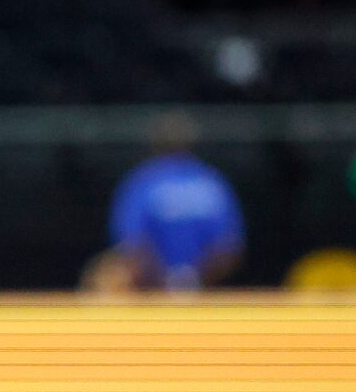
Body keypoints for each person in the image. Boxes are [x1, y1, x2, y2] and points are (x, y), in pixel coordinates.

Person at [89, 121, 245, 292]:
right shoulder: (211, 180)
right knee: (108, 272)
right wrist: (191, 280)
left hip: (160, 289)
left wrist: (168, 282)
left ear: (155, 145)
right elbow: (229, 247)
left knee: (103, 274)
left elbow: (131, 243)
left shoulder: (143, 180)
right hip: (197, 286)